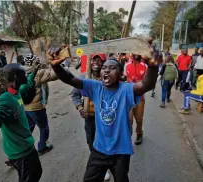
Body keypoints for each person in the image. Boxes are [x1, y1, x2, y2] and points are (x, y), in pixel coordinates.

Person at [48, 42, 161, 182]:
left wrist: (152, 65)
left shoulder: (126, 90)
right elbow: (70, 79)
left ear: (120, 75)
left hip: (121, 152)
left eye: (112, 68)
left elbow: (146, 85)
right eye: (104, 68)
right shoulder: (95, 87)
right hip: (99, 150)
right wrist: (55, 65)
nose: (106, 70)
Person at [0, 64, 42, 182]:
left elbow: (28, 84)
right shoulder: (3, 99)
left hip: (26, 146)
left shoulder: (16, 90)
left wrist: (34, 72)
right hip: (20, 152)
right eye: (24, 74)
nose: (26, 76)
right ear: (15, 77)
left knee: (36, 173)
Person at [71, 53, 111, 181]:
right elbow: (75, 95)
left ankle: (106, 166)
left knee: (106, 142)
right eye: (94, 60)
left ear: (104, 64)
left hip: (105, 119)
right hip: (90, 118)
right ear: (90, 62)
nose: (96, 63)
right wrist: (80, 108)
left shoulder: (108, 79)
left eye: (100, 61)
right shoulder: (83, 79)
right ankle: (99, 165)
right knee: (91, 141)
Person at [23, 54, 62, 156]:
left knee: (28, 128)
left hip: (25, 107)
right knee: (43, 127)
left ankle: (23, 149)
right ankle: (42, 147)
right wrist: (55, 64)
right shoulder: (39, 73)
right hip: (37, 108)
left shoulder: (21, 73)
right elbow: (56, 74)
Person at [124, 54, 147, 145]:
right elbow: (124, 78)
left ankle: (139, 134)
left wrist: (141, 85)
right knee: (129, 119)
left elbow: (147, 81)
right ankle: (128, 135)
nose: (137, 53)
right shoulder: (127, 65)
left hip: (140, 97)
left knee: (139, 119)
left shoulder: (145, 66)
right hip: (129, 97)